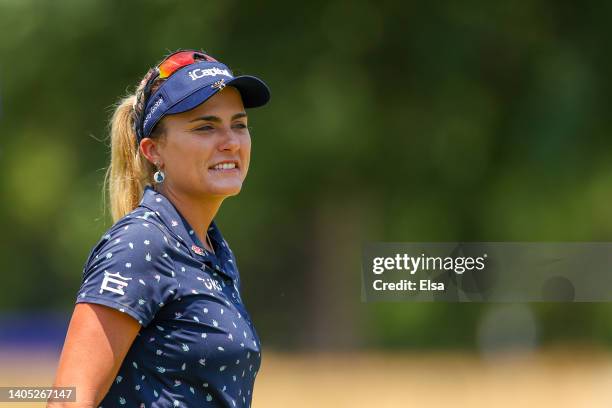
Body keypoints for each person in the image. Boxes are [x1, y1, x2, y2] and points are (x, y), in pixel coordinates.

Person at [48, 49, 270, 408]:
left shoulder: (213, 252)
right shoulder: (141, 244)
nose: (230, 141)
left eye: (239, 125)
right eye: (206, 126)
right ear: (154, 151)